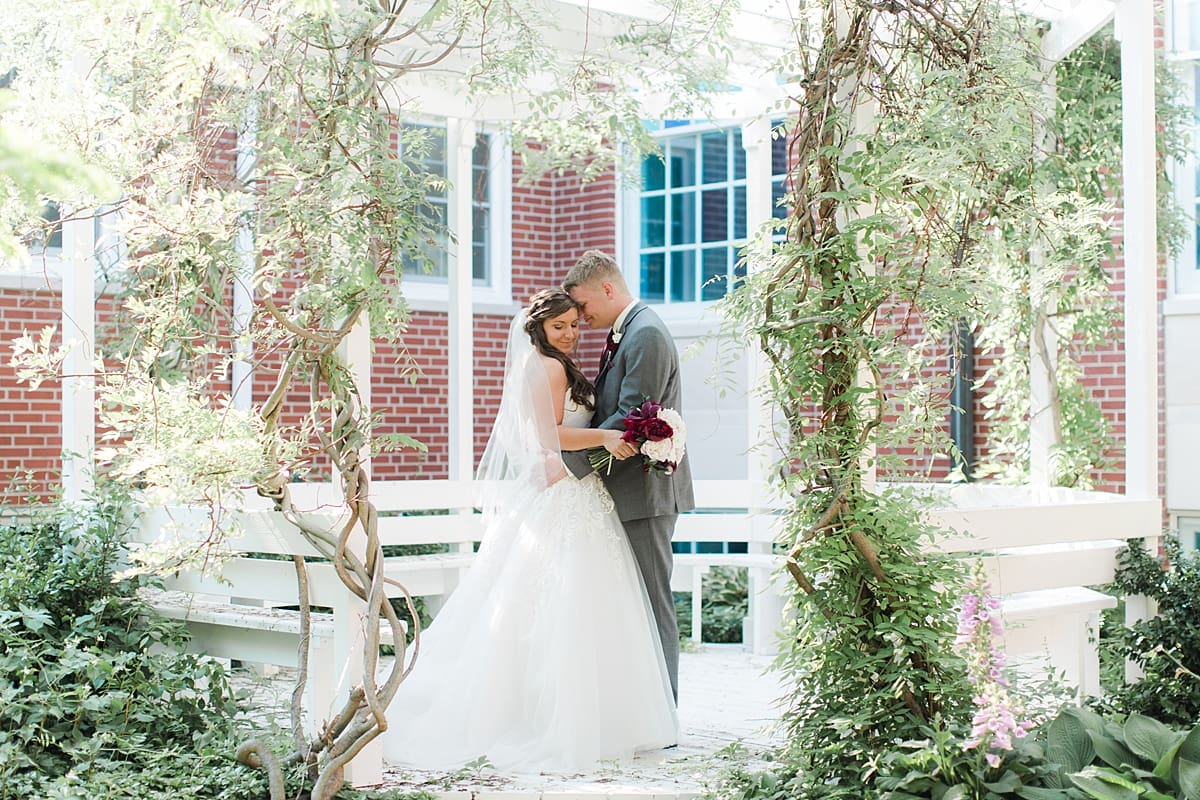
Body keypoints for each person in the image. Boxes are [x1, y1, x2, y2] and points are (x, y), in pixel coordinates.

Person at [382, 289, 678, 772]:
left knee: (574, 605)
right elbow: (550, 435)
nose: (569, 333)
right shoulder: (549, 366)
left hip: (566, 490)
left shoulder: (542, 364)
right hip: (564, 493)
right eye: (559, 326)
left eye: (575, 325)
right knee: (569, 606)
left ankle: (581, 714)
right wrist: (608, 435)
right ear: (538, 326)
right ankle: (561, 720)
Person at [562, 250, 696, 703]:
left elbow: (632, 417)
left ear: (607, 288)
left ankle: (664, 711)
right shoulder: (629, 332)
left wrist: (570, 466)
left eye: (582, 306)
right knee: (629, 604)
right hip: (624, 488)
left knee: (653, 601)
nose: (580, 316)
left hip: (645, 492)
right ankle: (638, 707)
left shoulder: (647, 335)